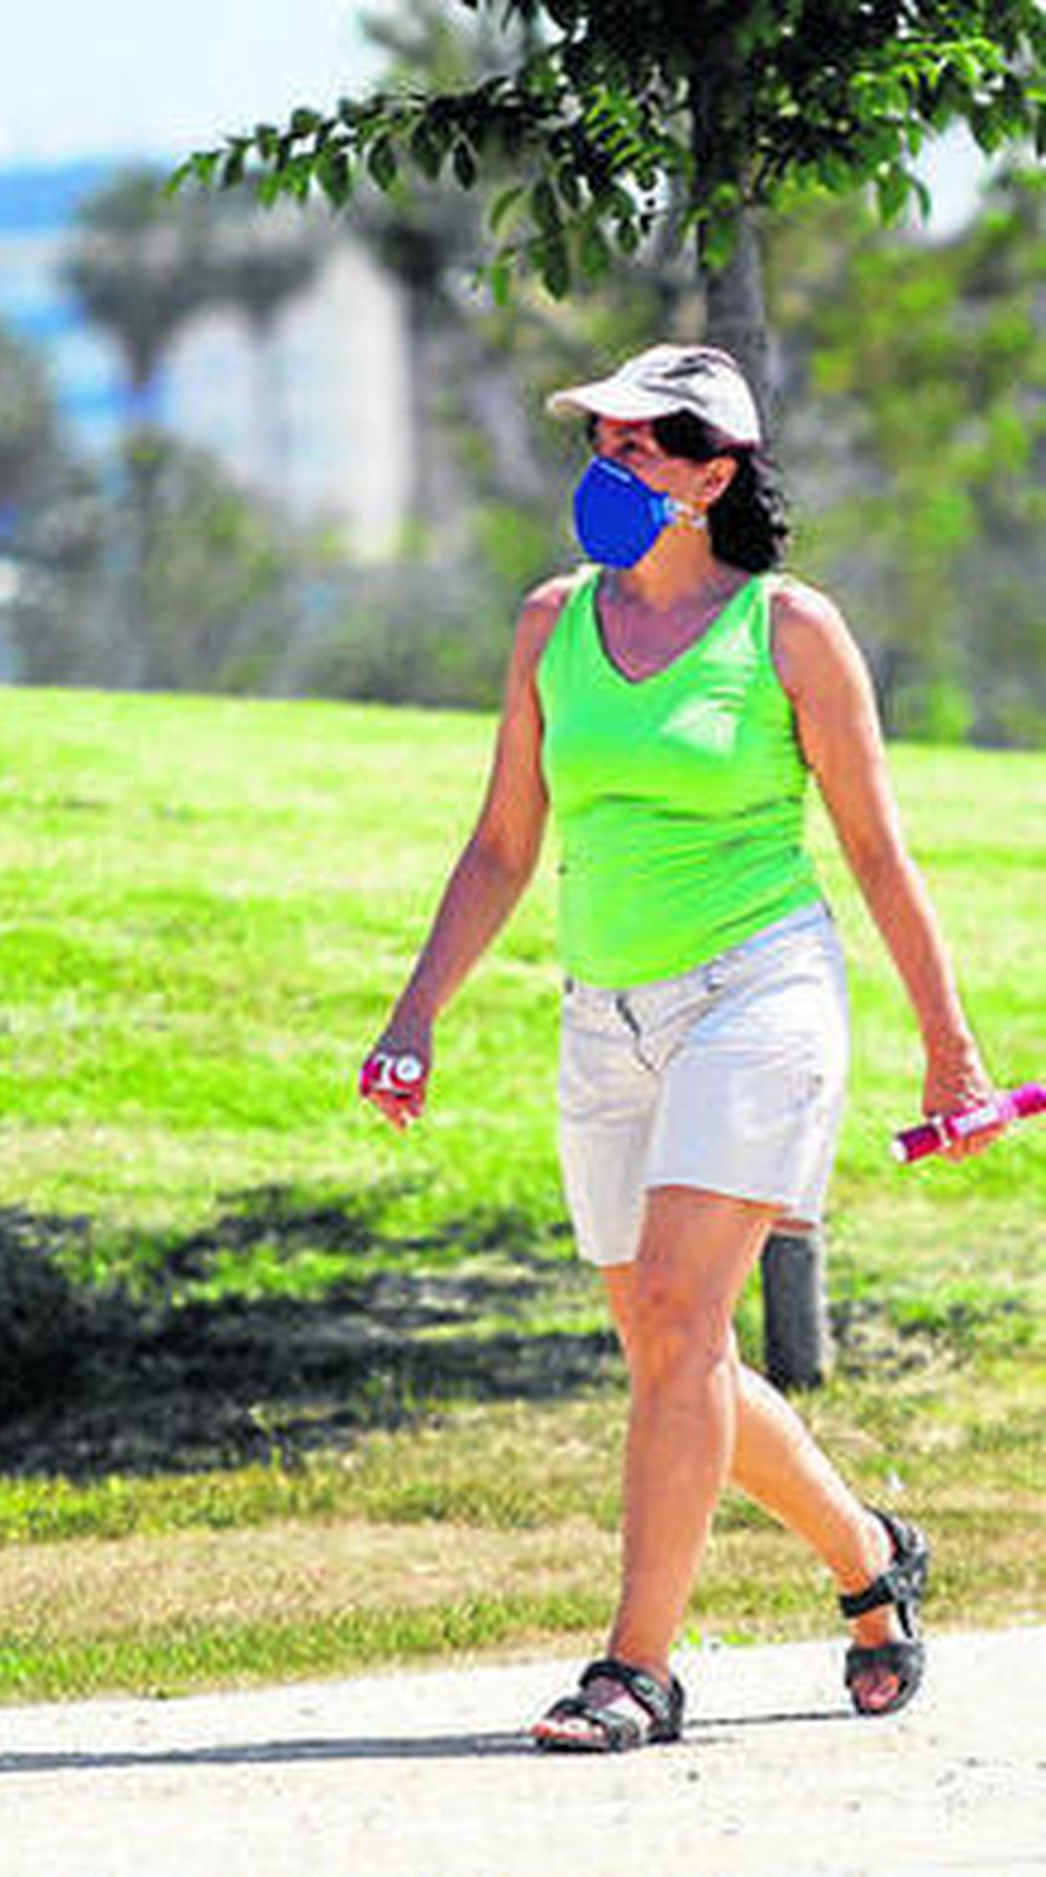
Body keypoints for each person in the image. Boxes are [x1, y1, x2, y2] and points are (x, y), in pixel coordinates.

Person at [359, 342, 1005, 1753]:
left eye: (642, 444)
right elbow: (503, 843)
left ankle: (635, 1668)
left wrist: (949, 1048)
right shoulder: (551, 626)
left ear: (715, 473)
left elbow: (879, 856)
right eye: (601, 441)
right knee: (668, 1340)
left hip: (759, 990)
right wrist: (414, 1015)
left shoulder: (789, 631)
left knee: (679, 1321)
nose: (610, 464)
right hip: (607, 1011)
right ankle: (869, 1557)